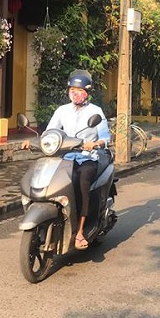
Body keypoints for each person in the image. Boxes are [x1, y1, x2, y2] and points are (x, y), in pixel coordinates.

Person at [45, 69, 111, 251]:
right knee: (53, 181)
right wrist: (38, 141)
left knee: (81, 182)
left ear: (87, 93)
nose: (76, 93)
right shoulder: (62, 110)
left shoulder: (95, 111)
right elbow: (51, 131)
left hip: (87, 158)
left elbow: (106, 136)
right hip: (65, 157)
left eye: (80, 90)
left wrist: (96, 143)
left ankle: (80, 231)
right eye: (73, 90)